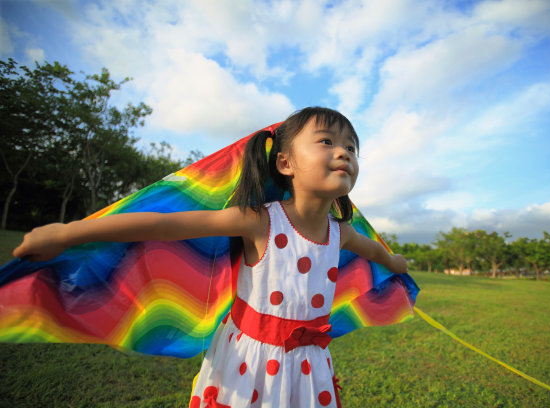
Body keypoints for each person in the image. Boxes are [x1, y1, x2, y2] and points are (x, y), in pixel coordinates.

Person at [13, 107, 407, 408]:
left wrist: (395, 265)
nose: (343, 153)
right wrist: (67, 233)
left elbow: (377, 252)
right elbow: (162, 226)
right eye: (327, 142)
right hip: (248, 363)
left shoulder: (342, 234)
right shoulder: (259, 221)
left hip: (309, 366)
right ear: (285, 163)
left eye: (351, 148)